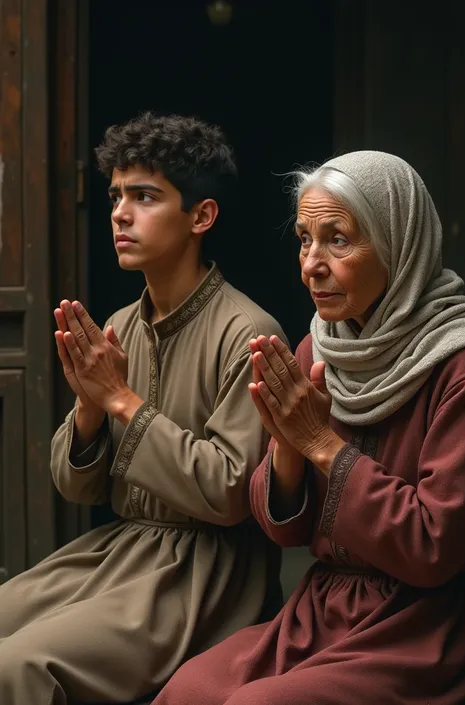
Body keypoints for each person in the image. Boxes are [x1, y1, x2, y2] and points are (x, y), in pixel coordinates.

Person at [152, 150, 465, 705]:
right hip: (320, 612)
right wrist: (287, 445)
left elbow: (432, 545)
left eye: (339, 239)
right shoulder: (318, 348)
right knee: (188, 691)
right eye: (304, 239)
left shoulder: (458, 365)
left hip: (420, 625)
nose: (311, 264)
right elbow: (284, 530)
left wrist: (321, 444)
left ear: (399, 245)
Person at [0, 112, 285, 704]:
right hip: (123, 550)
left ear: (201, 216)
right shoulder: (120, 327)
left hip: (204, 575)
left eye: (145, 196)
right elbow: (79, 490)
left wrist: (122, 401)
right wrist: (88, 409)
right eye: (116, 196)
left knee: (22, 664)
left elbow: (231, 494)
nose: (120, 214)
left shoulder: (249, 331)